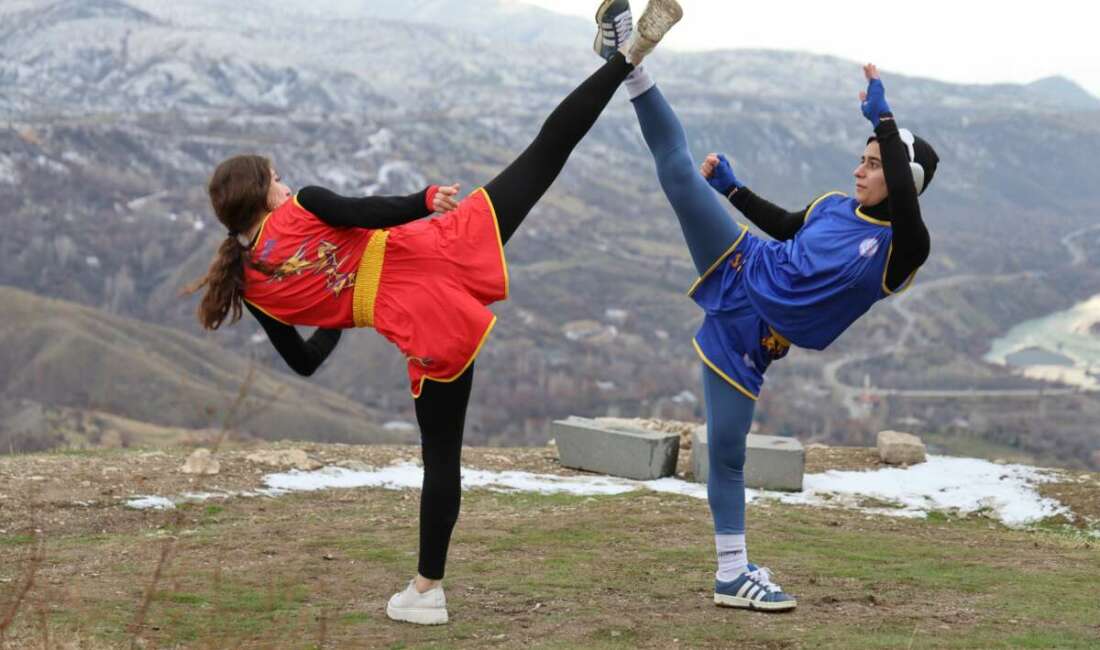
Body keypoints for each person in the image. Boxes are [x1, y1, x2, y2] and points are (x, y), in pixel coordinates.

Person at [185, 0, 683, 625]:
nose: (287, 184)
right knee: (547, 150)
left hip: (421, 323)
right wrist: (424, 200)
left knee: (441, 456)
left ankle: (427, 591)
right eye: (276, 180)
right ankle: (627, 57)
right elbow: (363, 212)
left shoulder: (253, 290)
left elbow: (307, 361)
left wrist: (345, 308)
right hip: (440, 246)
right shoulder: (303, 206)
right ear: (261, 195)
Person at [597, 2, 939, 612]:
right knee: (677, 174)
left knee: (726, 456)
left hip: (752, 342)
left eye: (873, 163)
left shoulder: (901, 252)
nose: (859, 170)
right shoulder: (835, 204)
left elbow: (907, 208)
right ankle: (629, 61)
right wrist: (731, 189)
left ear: (903, 178)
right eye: (860, 159)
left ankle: (732, 574)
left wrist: (885, 117)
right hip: (741, 266)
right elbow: (784, 228)